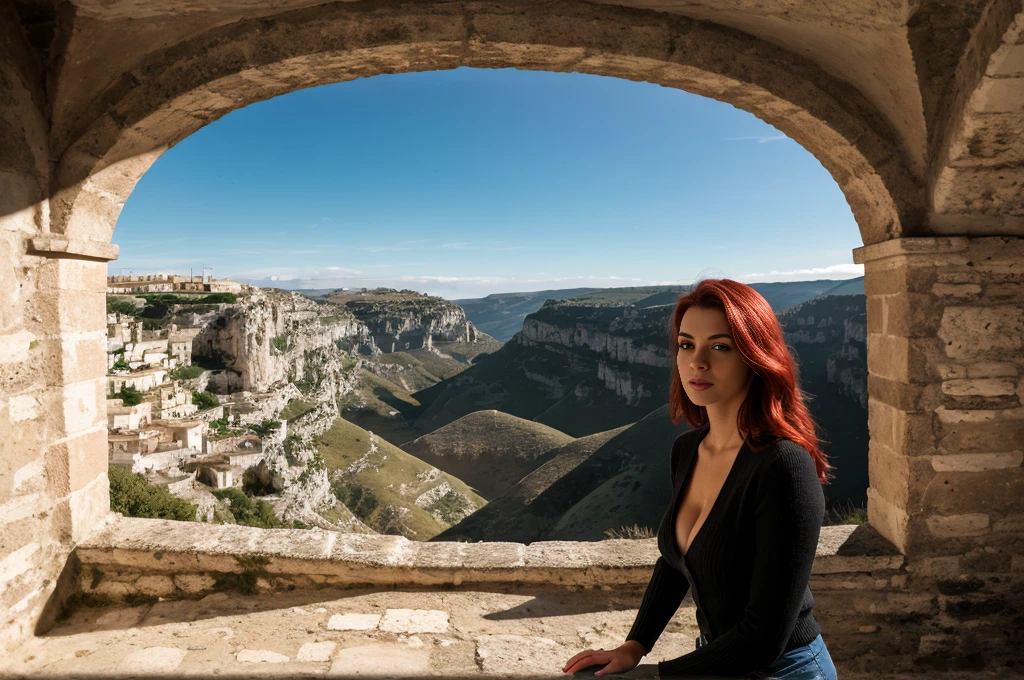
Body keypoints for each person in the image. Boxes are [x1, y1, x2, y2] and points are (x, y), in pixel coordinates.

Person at [561, 278, 839, 679]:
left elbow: (764, 637)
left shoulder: (783, 466)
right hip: (715, 659)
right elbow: (677, 562)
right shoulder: (688, 450)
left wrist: (656, 676)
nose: (698, 362)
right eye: (687, 345)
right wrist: (634, 646)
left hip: (785, 671)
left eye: (721, 347)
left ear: (756, 357)